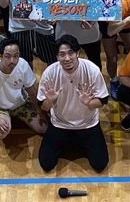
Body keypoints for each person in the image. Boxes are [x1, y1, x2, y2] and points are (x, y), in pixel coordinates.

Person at [37, 35, 109, 172]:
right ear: (57, 56)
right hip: (60, 123)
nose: (67, 58)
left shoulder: (92, 69)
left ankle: (73, 142)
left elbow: (102, 100)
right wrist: (50, 101)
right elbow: (43, 106)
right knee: (46, 164)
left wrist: (89, 103)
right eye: (62, 54)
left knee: (100, 164)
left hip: (88, 123)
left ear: (78, 53)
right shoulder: (50, 73)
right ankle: (73, 142)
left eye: (71, 53)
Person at [0, 36, 48, 140]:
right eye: (7, 56)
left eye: (16, 56)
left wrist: (39, 110)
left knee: (43, 128)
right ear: (0, 56)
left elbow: (31, 89)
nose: (12, 61)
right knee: (0, 133)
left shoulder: (23, 64)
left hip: (21, 104)